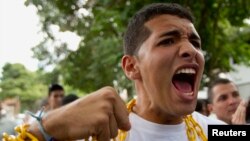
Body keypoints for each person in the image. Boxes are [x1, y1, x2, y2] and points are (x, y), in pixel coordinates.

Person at [3, 3, 226, 141]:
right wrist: (44, 129)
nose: (191, 50)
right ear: (131, 67)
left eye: (195, 43)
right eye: (168, 41)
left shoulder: (219, 131)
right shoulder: (92, 134)